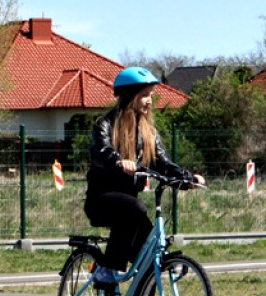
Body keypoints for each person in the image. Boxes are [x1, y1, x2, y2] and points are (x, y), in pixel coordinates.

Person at [85, 66, 205, 282]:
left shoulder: (148, 132)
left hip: (129, 208)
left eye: (150, 95)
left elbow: (162, 162)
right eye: (144, 95)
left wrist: (186, 178)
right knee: (136, 208)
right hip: (101, 201)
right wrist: (118, 161)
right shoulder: (105, 124)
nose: (150, 101)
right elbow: (100, 151)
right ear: (129, 96)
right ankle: (107, 268)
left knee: (151, 257)